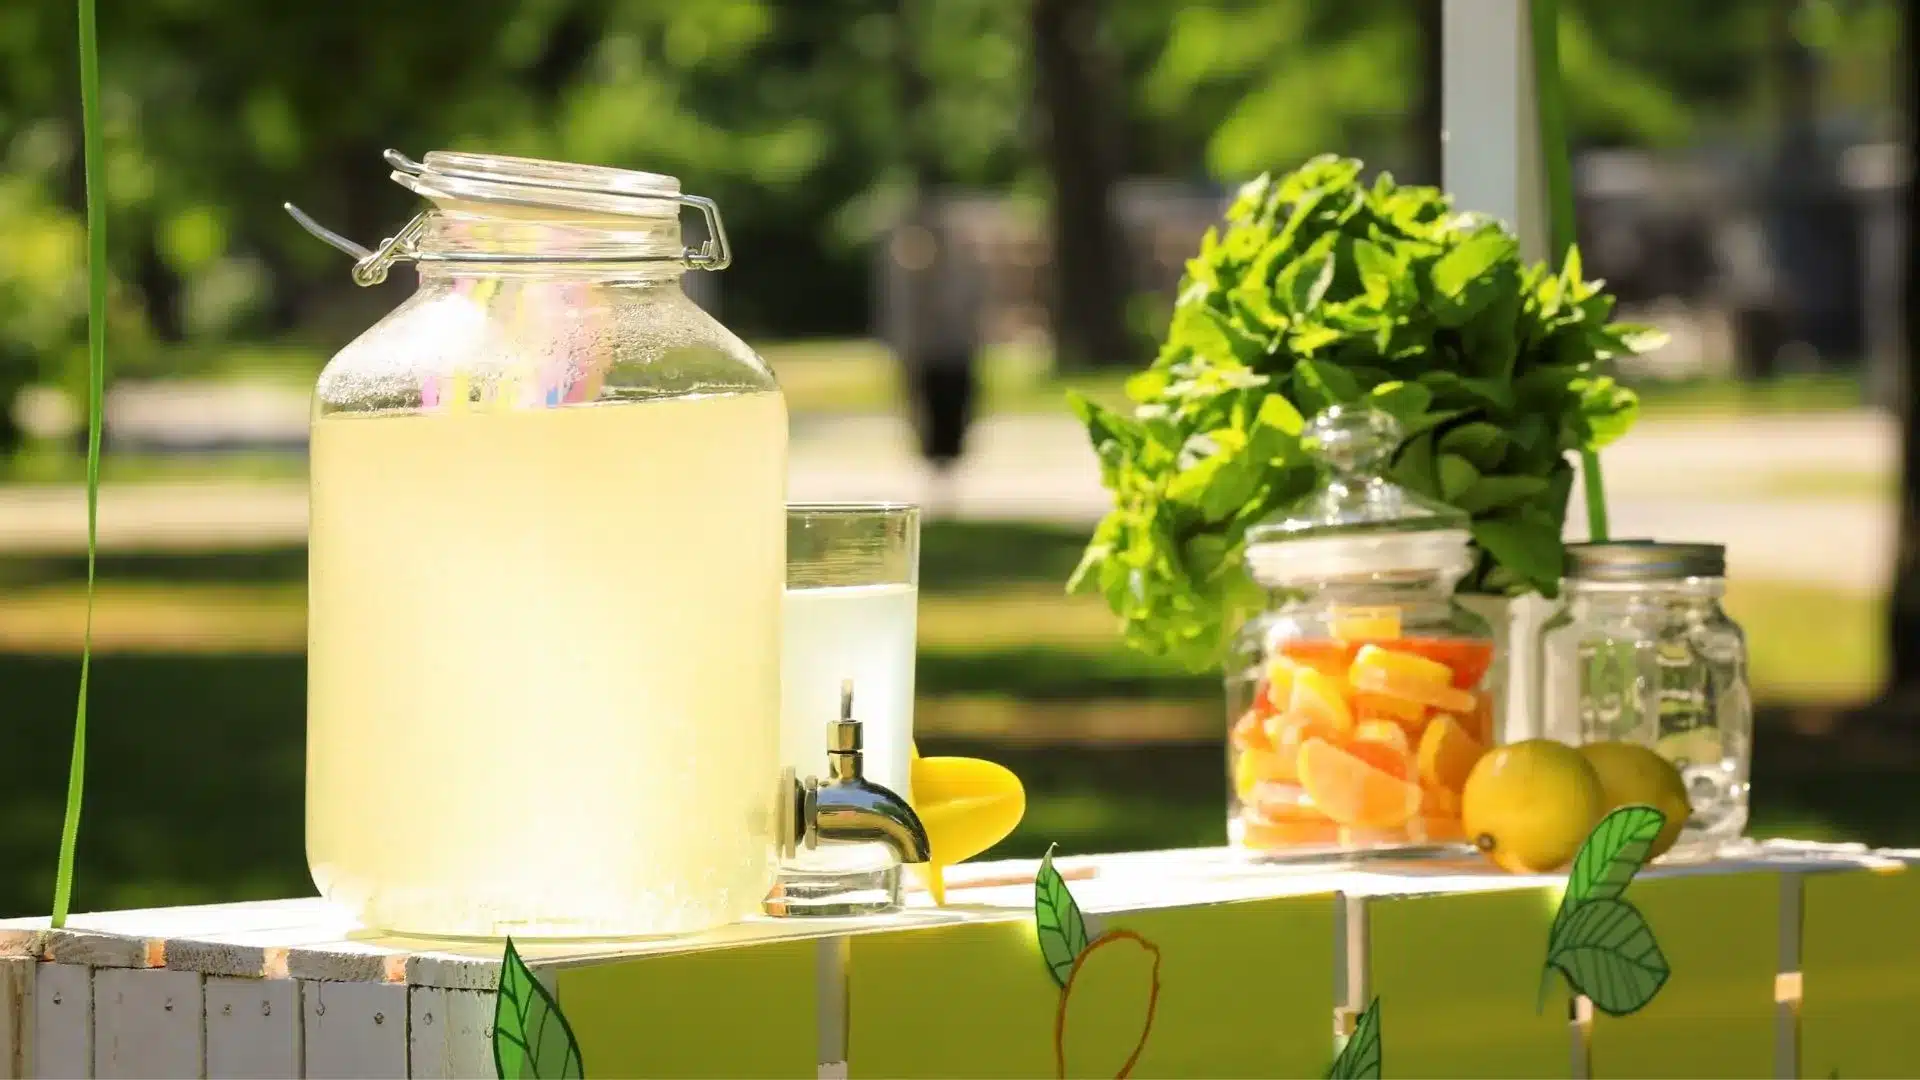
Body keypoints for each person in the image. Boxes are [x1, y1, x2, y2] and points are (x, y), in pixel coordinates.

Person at [883, 200, 985, 516]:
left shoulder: (956, 273)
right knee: (927, 413)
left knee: (955, 412)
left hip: (952, 353)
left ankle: (948, 474)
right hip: (927, 355)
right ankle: (937, 474)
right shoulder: (909, 275)